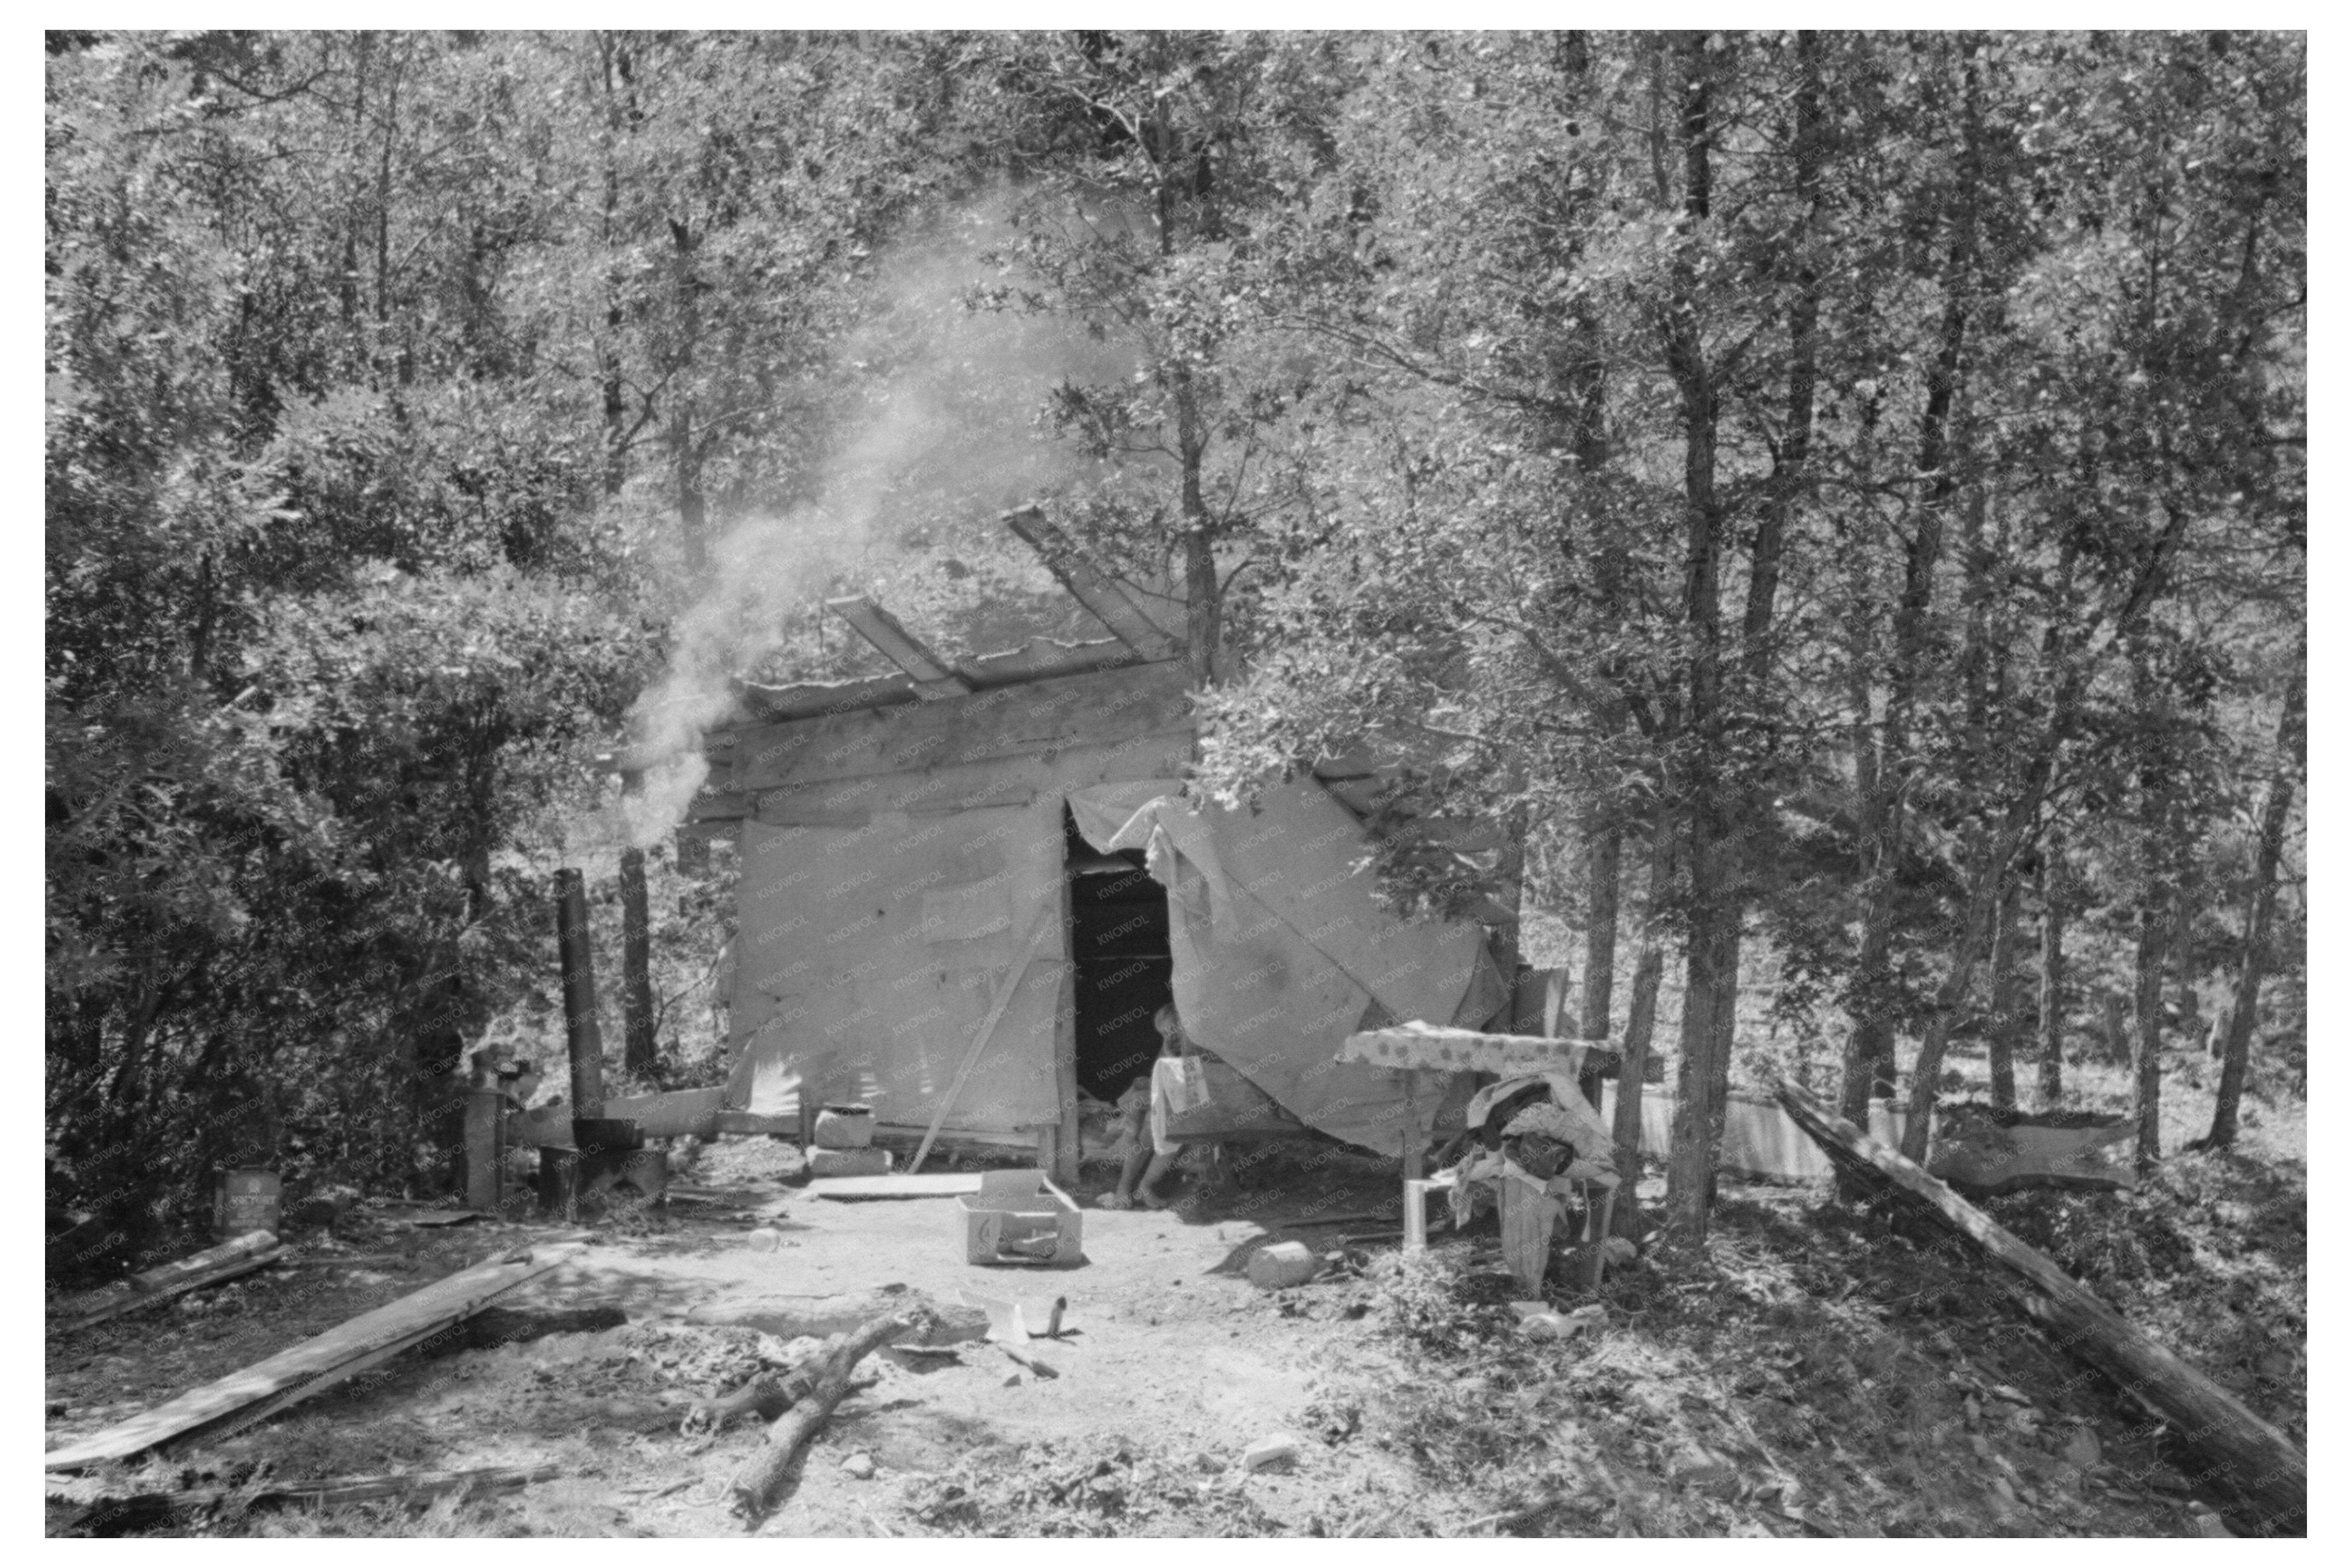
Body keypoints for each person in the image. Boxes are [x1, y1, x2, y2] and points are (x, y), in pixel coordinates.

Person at [1102, 1004, 1196, 1209]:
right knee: (1148, 1126)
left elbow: (1191, 1086)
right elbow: (1161, 1078)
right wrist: (1168, 1052)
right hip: (1168, 1101)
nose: (1169, 1038)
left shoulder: (1196, 1042)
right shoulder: (1171, 1046)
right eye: (1163, 1034)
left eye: (1172, 1032)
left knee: (1170, 1131)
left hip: (1190, 1102)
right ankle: (1125, 1187)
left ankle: (1145, 1185)